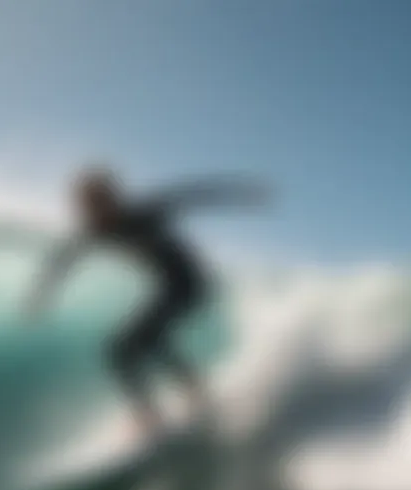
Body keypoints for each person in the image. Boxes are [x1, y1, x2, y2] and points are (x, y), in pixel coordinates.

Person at [25, 167, 268, 435]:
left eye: (100, 202)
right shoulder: (95, 231)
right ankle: (166, 406)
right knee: (122, 350)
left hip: (190, 281)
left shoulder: (141, 214)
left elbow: (192, 195)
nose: (94, 212)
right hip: (169, 286)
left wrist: (244, 194)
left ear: (112, 199)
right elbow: (65, 256)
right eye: (88, 206)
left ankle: (181, 401)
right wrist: (41, 293)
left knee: (137, 342)